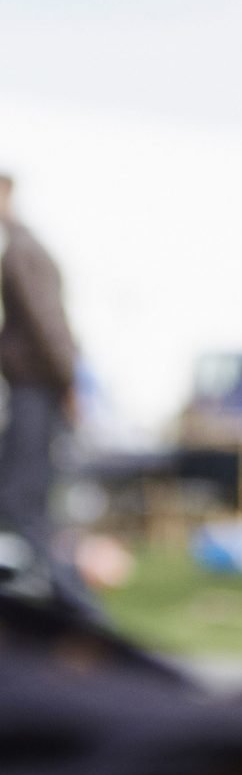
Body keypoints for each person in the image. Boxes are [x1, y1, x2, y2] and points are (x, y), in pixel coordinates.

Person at [0, 174, 80, 584]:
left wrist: (69, 382)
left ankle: (49, 585)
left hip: (39, 385)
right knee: (24, 491)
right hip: (34, 385)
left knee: (25, 494)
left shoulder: (22, 251)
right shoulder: (18, 248)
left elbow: (48, 323)